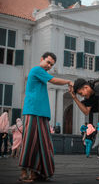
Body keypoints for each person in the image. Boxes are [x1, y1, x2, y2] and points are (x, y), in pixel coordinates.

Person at [19, 52, 73, 182]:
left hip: (42, 113)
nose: (49, 66)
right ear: (41, 59)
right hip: (33, 111)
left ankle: (36, 172)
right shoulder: (37, 69)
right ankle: (24, 173)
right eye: (48, 62)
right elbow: (53, 80)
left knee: (42, 144)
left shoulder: (41, 73)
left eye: (51, 65)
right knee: (30, 142)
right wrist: (68, 81)